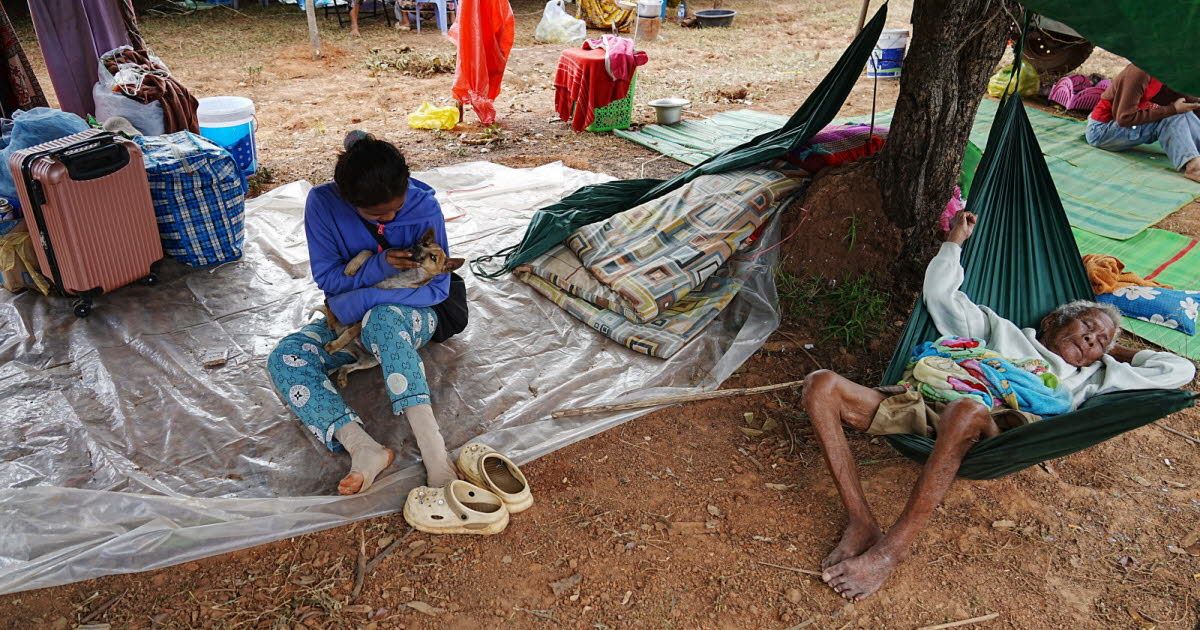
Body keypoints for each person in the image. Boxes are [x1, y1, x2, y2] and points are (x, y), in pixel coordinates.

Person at [803, 211, 1196, 601]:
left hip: (996, 427)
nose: (1094, 340)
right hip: (930, 402)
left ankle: (894, 548)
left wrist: (1114, 352)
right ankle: (860, 520)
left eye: (1102, 341)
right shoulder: (1000, 331)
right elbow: (940, 295)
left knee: (966, 410)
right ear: (1052, 322)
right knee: (821, 384)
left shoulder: (1094, 377)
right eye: (1088, 327)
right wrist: (954, 241)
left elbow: (1179, 370)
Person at [268, 131, 458, 495]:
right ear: (346, 198)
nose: (388, 217)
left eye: (395, 210)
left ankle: (436, 456)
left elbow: (436, 288)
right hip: (352, 318)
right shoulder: (323, 205)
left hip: (406, 317)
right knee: (285, 358)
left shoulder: (424, 208)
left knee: (384, 319)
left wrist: (355, 302)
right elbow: (328, 278)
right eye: (375, 215)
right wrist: (381, 265)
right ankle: (363, 448)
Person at [1085, 63, 1200, 182]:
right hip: (1101, 131)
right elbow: (1124, 118)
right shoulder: (1139, 72)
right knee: (1171, 115)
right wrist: (1172, 109)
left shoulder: (1164, 69)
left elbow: (1178, 96)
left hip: (1122, 123)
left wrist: (1195, 103)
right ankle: (1194, 168)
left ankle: (1196, 158)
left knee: (1184, 111)